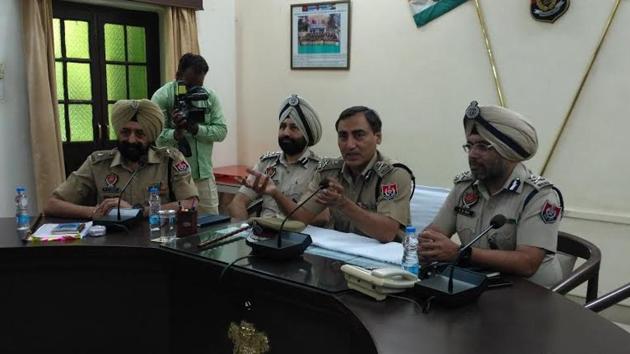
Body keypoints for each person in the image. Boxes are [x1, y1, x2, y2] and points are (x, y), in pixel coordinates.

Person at [420, 101, 564, 287]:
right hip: (479, 284)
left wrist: (461, 253)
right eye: (469, 146)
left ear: (507, 151)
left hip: (530, 296)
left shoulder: (539, 196)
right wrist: (428, 245)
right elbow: (435, 231)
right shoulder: (465, 186)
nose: (472, 154)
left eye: (483, 146)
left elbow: (527, 263)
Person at [243, 106, 413, 243]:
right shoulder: (329, 172)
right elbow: (301, 217)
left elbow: (387, 232)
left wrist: (343, 203)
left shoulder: (393, 175)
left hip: (384, 266)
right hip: (338, 258)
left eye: (359, 135)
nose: (350, 145)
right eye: (343, 136)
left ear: (378, 138)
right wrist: (275, 193)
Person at [44, 99, 199, 219]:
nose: (131, 140)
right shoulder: (98, 163)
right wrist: (96, 211)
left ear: (151, 136)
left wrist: (137, 212)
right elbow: (52, 205)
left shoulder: (170, 160)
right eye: (125, 132)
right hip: (112, 246)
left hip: (158, 242)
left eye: (139, 134)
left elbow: (191, 203)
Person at [152, 53, 227, 214]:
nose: (193, 90)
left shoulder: (208, 97)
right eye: (189, 85)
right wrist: (176, 133)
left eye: (198, 86)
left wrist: (196, 129)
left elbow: (221, 131)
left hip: (203, 177)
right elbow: (155, 139)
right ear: (178, 75)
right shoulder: (162, 97)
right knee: (176, 230)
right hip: (173, 178)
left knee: (211, 228)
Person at [227, 94, 322, 220]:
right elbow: (237, 203)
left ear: (307, 135)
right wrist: (244, 230)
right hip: (262, 233)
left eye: (294, 128)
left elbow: (321, 218)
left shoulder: (319, 169)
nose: (286, 133)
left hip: (297, 235)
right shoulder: (266, 163)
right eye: (282, 127)